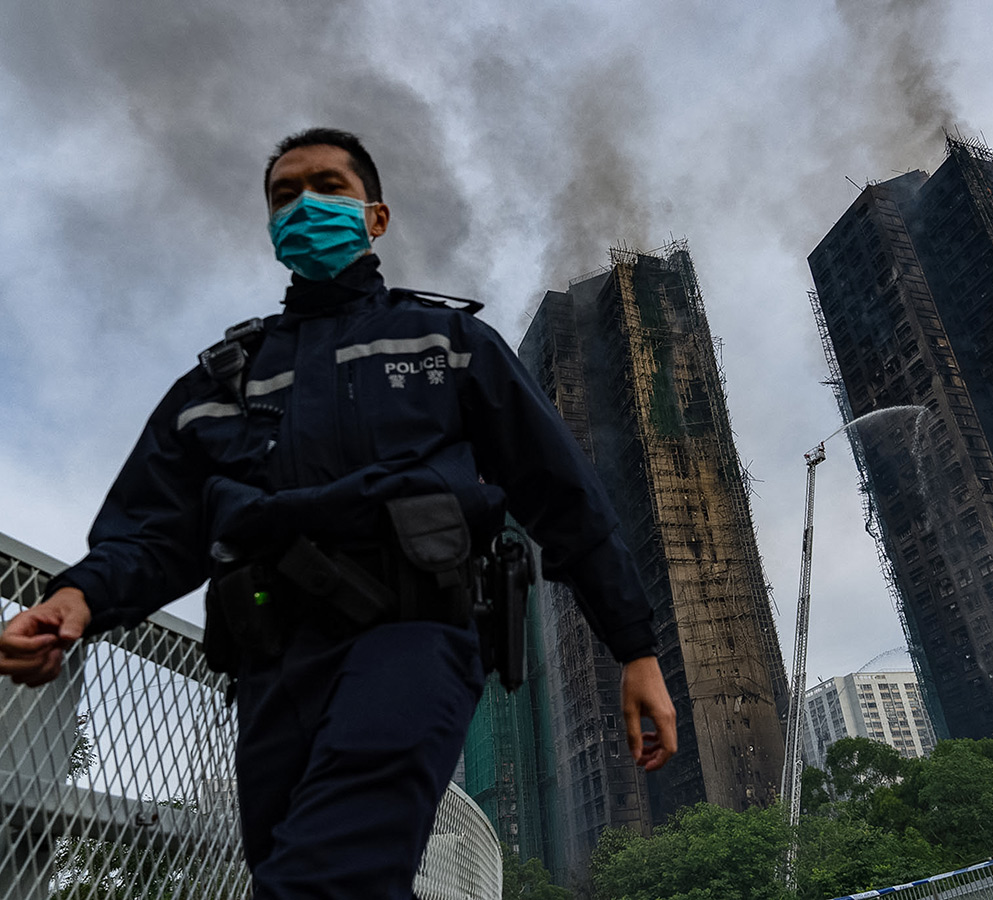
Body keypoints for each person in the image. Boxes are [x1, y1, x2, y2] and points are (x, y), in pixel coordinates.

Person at [0, 127, 676, 899]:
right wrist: (74, 600)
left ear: (375, 218)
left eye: (327, 187)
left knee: (325, 880)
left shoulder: (450, 344)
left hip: (414, 638)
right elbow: (155, 530)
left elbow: (565, 499)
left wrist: (635, 647)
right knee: (289, 871)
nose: (304, 205)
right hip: (269, 664)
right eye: (284, 195)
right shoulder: (223, 381)